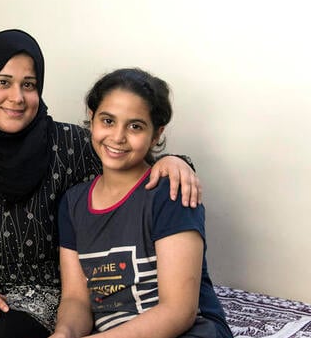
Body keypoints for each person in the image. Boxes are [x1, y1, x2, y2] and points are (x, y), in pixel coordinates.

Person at [0, 30, 201, 338]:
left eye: (29, 85)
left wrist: (174, 161)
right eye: (3, 82)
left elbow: (125, 156)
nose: (17, 97)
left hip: (37, 298)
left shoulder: (71, 146)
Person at [51, 68, 231, 338]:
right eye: (108, 121)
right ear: (92, 118)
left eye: (135, 126)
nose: (118, 137)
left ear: (156, 134)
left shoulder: (169, 193)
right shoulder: (73, 203)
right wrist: (64, 333)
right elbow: (76, 299)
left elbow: (178, 311)